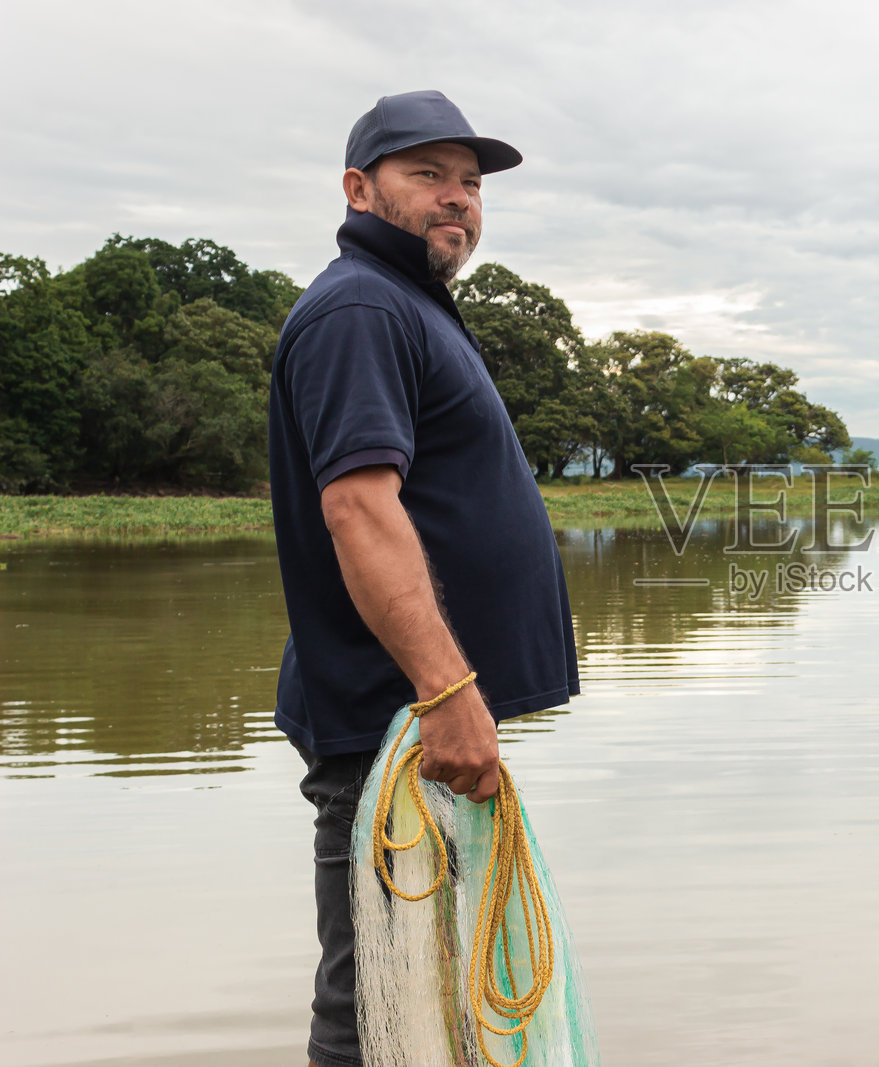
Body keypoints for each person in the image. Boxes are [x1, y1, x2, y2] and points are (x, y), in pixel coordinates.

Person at [267, 90, 581, 1067]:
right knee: (373, 1003)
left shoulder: (407, 305)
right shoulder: (361, 307)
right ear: (359, 187)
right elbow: (359, 508)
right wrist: (446, 691)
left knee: (434, 992)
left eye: (470, 182)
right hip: (395, 724)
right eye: (427, 174)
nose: (457, 199)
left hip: (424, 727)